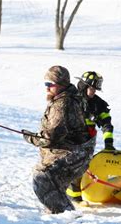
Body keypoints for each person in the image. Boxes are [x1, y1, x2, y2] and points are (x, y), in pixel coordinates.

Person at [22, 65, 96, 214]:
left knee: (42, 180)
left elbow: (51, 137)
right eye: (45, 84)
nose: (47, 88)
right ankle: (59, 217)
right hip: (75, 152)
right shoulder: (66, 98)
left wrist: (29, 137)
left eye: (50, 84)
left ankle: (66, 218)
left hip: (72, 154)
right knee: (54, 187)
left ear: (61, 85)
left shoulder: (62, 104)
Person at [66, 71, 115, 202]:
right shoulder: (70, 99)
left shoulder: (98, 104)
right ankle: (73, 199)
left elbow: (107, 125)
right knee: (72, 170)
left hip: (87, 143)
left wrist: (108, 143)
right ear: (83, 86)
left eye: (95, 89)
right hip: (69, 141)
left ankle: (76, 196)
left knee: (81, 170)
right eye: (92, 88)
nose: (94, 92)